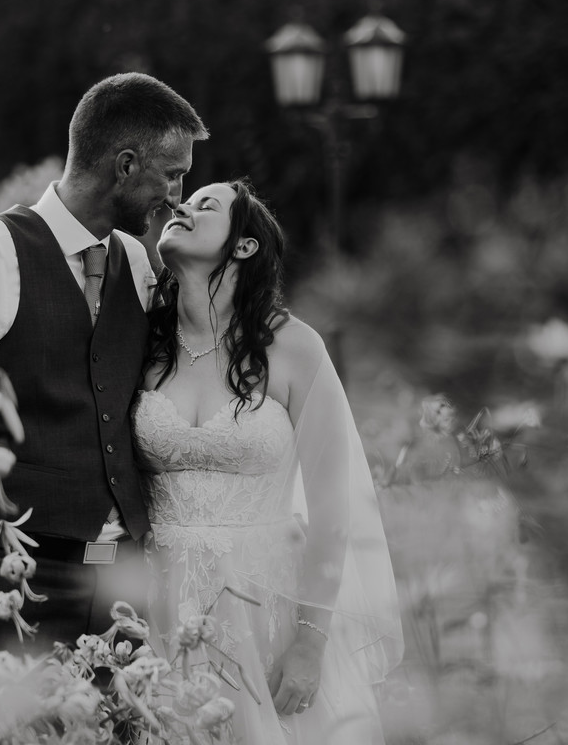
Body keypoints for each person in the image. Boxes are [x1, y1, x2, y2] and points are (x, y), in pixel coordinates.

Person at [0, 72, 208, 739]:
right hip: (19, 581)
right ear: (124, 164)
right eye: (170, 174)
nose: (176, 196)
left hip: (121, 588)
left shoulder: (136, 261)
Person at [132, 179, 404, 743]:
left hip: (266, 612)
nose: (180, 206)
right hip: (155, 607)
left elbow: (334, 510)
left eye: (206, 205)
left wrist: (310, 639)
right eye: (185, 200)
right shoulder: (139, 343)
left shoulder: (294, 346)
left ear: (245, 246)